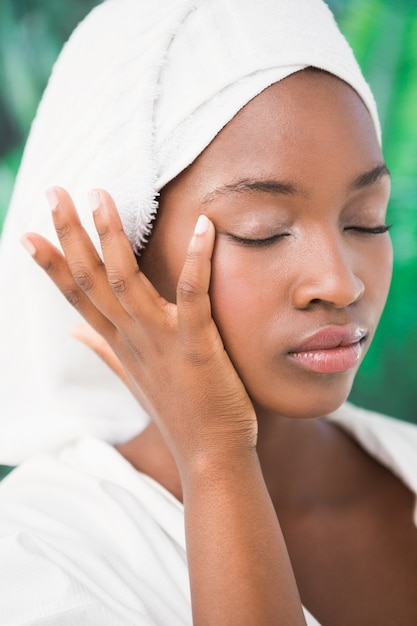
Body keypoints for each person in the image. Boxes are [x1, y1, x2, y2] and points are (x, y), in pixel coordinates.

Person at [0, 0, 416, 624]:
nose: (338, 280)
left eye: (366, 219)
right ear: (121, 258)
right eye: (263, 230)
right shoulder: (40, 556)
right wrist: (216, 456)